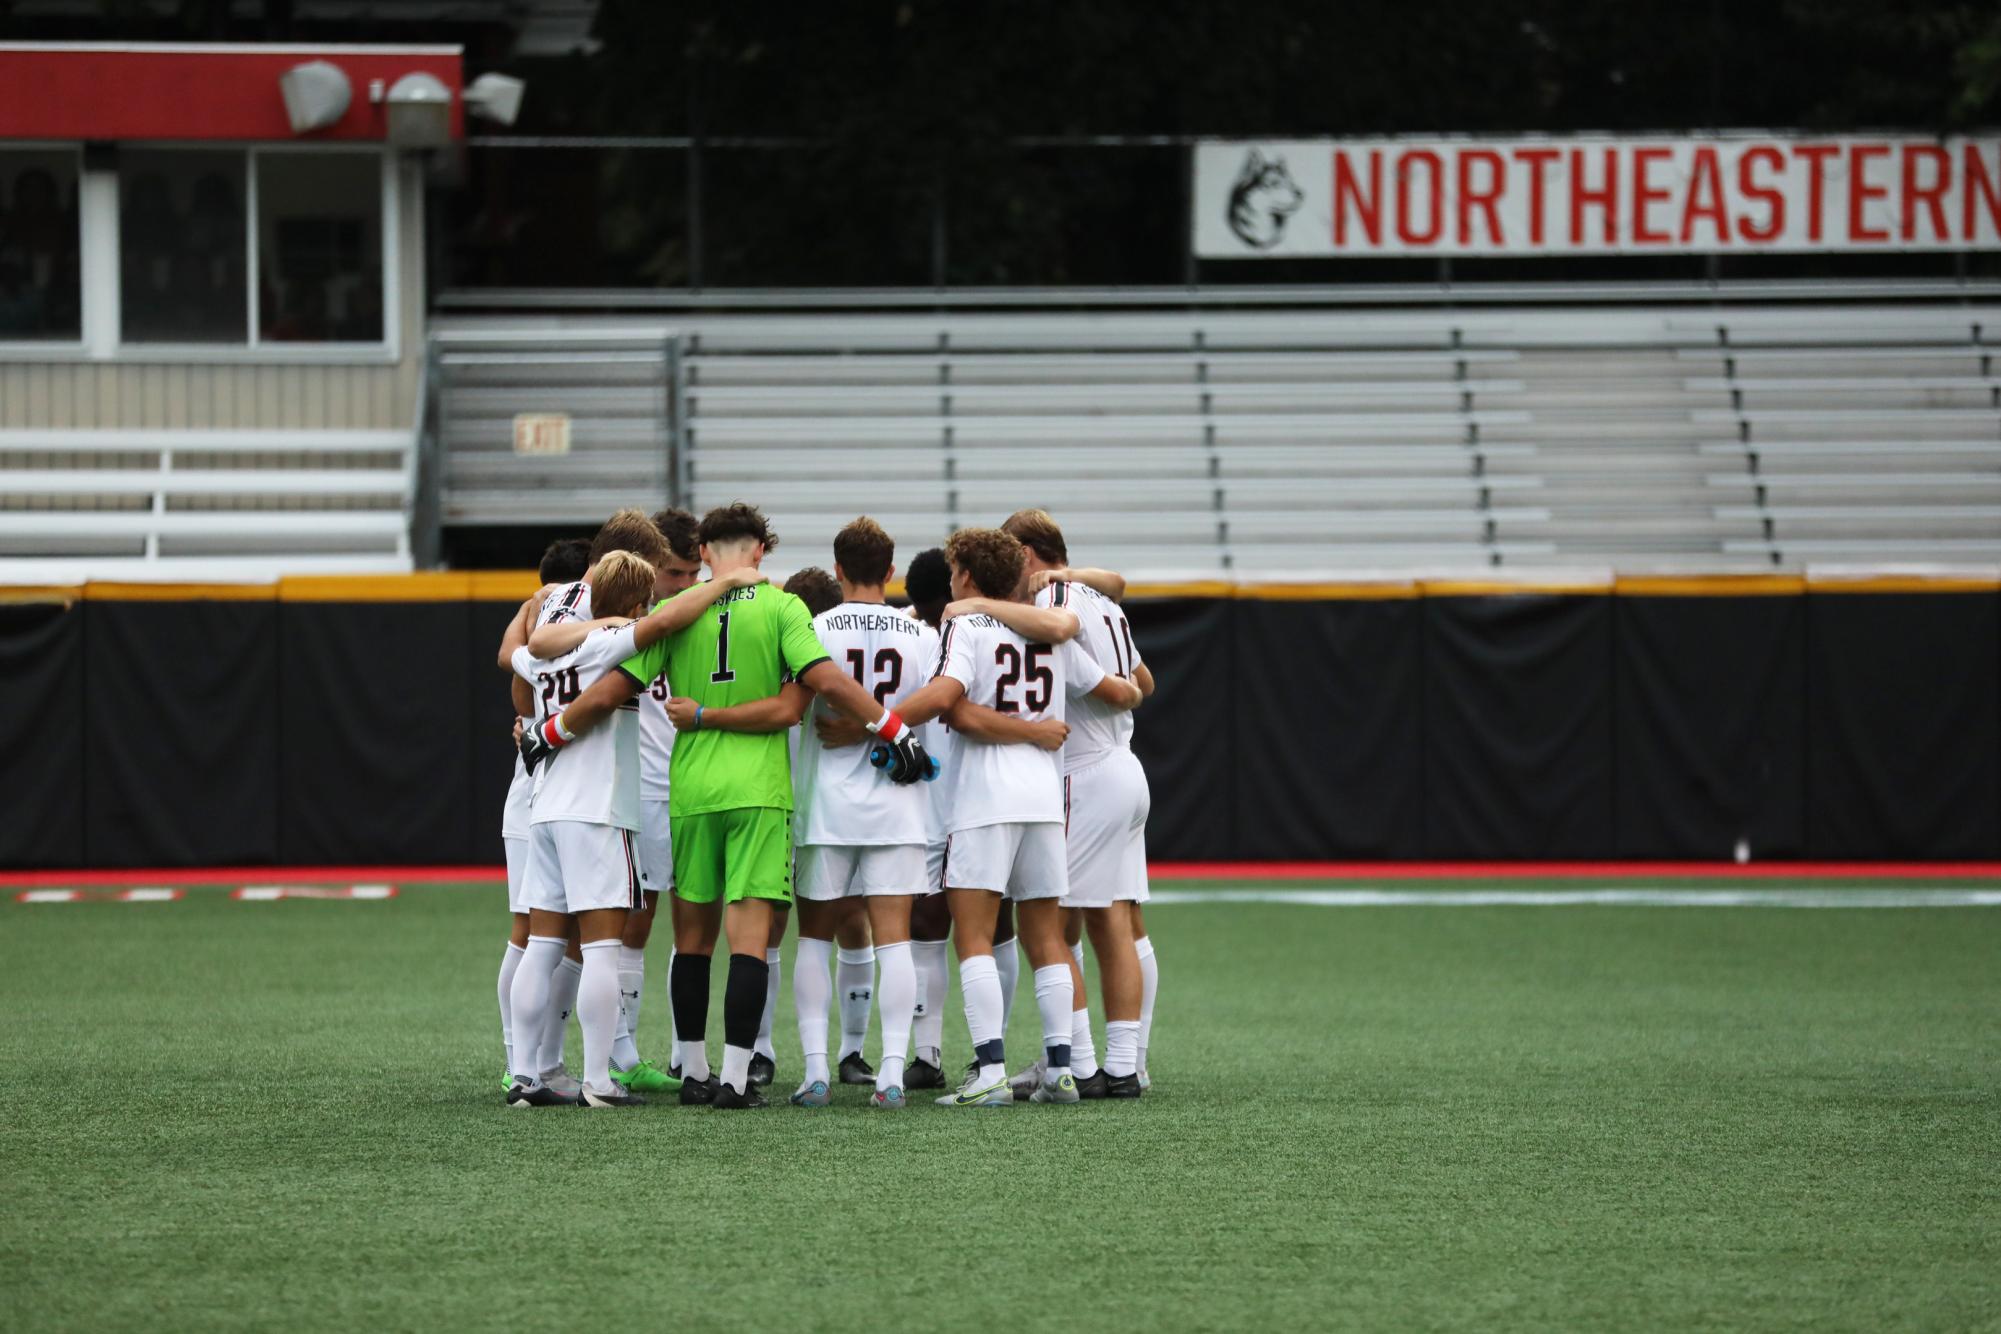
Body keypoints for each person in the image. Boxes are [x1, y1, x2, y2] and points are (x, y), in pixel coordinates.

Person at [519, 503, 931, 1109]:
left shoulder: (673, 613)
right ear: (760, 552)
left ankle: (693, 1069)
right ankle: (737, 1078)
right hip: (758, 790)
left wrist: (548, 732)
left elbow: (612, 690)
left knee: (691, 940)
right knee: (749, 938)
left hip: (691, 789)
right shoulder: (783, 606)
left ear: (705, 553)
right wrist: (893, 728)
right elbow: (825, 684)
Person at [887, 528, 1141, 1107]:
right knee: (1046, 936)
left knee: (973, 937)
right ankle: (1062, 1069)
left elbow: (948, 697)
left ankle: (991, 1073)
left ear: (969, 576)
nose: (951, 581)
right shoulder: (1043, 628)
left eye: (955, 571)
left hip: (985, 798)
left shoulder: (964, 623)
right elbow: (1117, 688)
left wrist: (875, 721)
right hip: (1046, 800)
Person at [991, 509, 1155, 1096]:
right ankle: (1123, 1063)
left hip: (1083, 772)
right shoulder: (1102, 600)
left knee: (1049, 922)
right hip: (1126, 767)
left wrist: (975, 607)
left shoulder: (1053, 601)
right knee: (1116, 919)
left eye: (1011, 557)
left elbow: (1069, 647)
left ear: (1029, 556)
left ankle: (1078, 1064)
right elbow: (1145, 684)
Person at [504, 552, 659, 1108]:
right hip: (596, 807)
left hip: (542, 805)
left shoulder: (552, 635)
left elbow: (518, 654)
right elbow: (660, 626)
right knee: (601, 950)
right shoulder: (613, 641)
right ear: (635, 605)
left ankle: (524, 1073)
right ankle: (598, 1081)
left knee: (541, 946)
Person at [492, 537, 591, 1091]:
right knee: (537, 932)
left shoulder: (542, 632)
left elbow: (513, 663)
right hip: (547, 789)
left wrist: (532, 607)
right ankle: (525, 1061)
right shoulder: (577, 627)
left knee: (549, 934)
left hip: (540, 787)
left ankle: (534, 1062)